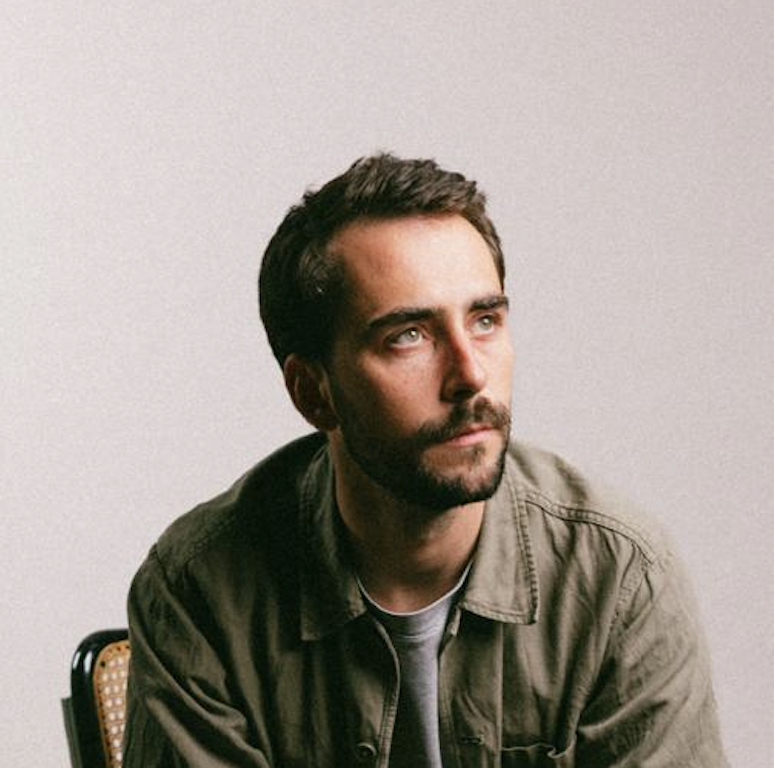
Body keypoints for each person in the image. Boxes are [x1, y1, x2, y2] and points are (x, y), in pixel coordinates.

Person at [123, 154, 727, 767]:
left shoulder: (617, 577)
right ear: (313, 392)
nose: (470, 374)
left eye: (485, 320)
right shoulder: (199, 592)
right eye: (408, 336)